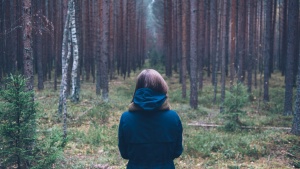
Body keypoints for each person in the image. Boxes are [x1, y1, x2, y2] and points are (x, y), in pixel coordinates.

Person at [118, 69, 183, 169]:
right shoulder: (173, 117)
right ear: (162, 88)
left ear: (137, 88)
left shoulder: (126, 118)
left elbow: (124, 154)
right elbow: (177, 152)